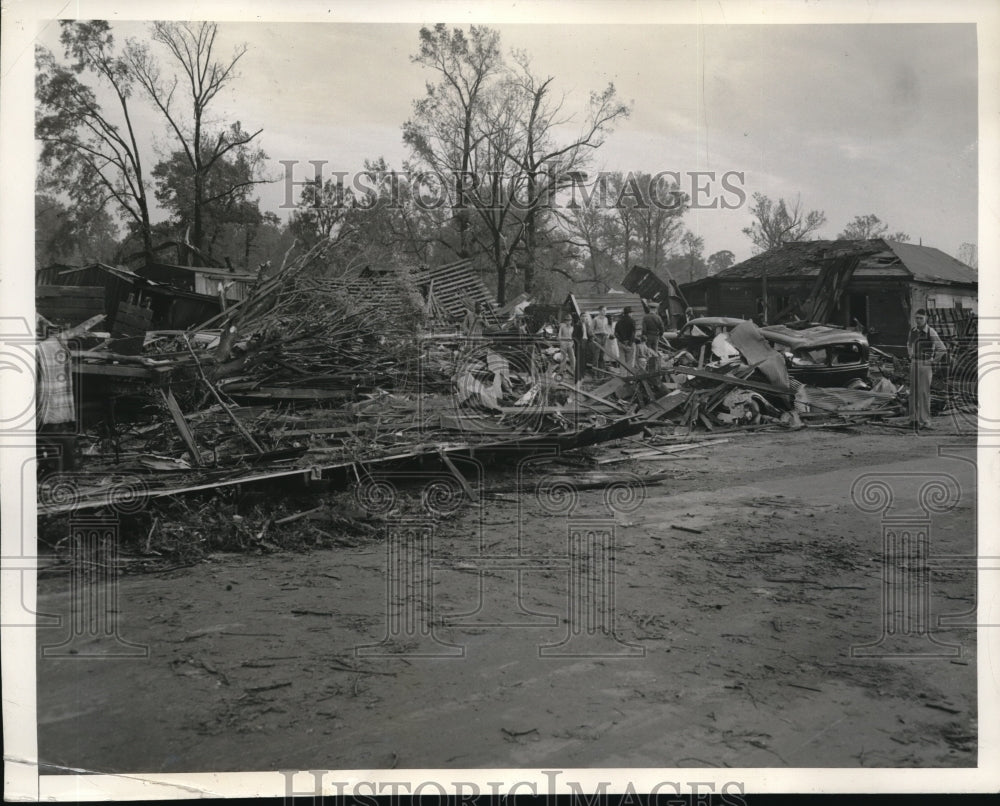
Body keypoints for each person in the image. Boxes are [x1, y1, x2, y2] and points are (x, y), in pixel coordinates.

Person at [907, 308, 947, 430]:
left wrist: (933, 361)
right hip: (914, 363)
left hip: (925, 364)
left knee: (923, 393)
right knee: (913, 393)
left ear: (926, 319)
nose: (918, 320)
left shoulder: (931, 332)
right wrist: (911, 355)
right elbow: (908, 344)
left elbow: (942, 349)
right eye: (917, 318)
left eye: (921, 318)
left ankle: (925, 421)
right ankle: (913, 420)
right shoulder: (913, 331)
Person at [614, 306, 637, 370]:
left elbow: (616, 333)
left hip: (621, 343)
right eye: (631, 313)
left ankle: (623, 376)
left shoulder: (619, 322)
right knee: (630, 362)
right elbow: (633, 333)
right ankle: (630, 378)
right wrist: (629, 343)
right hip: (630, 343)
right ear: (629, 313)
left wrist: (622, 341)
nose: (632, 314)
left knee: (622, 361)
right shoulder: (632, 321)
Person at [591, 305, 611, 370]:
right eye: (603, 310)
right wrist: (595, 338)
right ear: (599, 311)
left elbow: (607, 329)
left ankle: (601, 372)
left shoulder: (606, 319)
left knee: (602, 355)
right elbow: (591, 330)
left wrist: (607, 335)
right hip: (598, 337)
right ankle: (595, 373)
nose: (605, 312)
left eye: (605, 310)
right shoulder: (595, 319)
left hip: (604, 337)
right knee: (596, 355)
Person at [557, 313, 575, 378]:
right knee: (563, 358)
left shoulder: (572, 328)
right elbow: (559, 337)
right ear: (565, 321)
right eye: (567, 320)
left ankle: (573, 371)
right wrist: (562, 342)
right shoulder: (562, 327)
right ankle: (561, 372)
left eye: (569, 320)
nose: (568, 322)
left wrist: (572, 342)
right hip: (563, 343)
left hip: (570, 344)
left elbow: (573, 337)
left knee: (572, 358)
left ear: (571, 321)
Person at [571, 312, 587, 384]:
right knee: (579, 362)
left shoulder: (585, 325)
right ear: (580, 317)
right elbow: (574, 336)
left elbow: (587, 334)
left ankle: (582, 377)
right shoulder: (577, 325)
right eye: (583, 316)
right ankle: (577, 379)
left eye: (585, 316)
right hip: (579, 344)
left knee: (583, 361)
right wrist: (578, 343)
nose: (584, 318)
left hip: (585, 343)